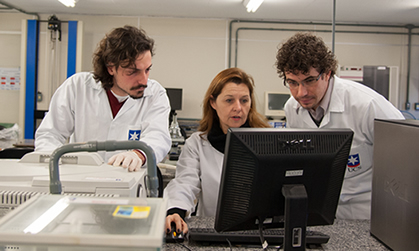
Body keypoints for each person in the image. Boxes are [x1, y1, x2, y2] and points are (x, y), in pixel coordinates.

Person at [275, 32, 405, 220]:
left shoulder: (367, 105)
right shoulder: (292, 108)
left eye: (309, 80)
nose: (301, 92)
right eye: (292, 83)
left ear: (327, 73)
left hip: (369, 213)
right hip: (322, 210)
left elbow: (407, 163)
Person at [35, 25, 171, 171]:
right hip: (79, 177)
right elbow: (50, 134)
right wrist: (56, 165)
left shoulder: (155, 94)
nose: (143, 81)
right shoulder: (77, 87)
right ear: (111, 68)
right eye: (132, 71)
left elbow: (158, 137)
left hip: (129, 178)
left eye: (147, 69)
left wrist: (139, 154)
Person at [163, 68, 270, 234]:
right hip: (213, 231)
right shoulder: (198, 144)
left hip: (262, 232)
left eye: (244, 100)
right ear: (213, 102)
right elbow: (185, 182)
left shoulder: (267, 141)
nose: (238, 108)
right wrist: (175, 211)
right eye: (229, 100)